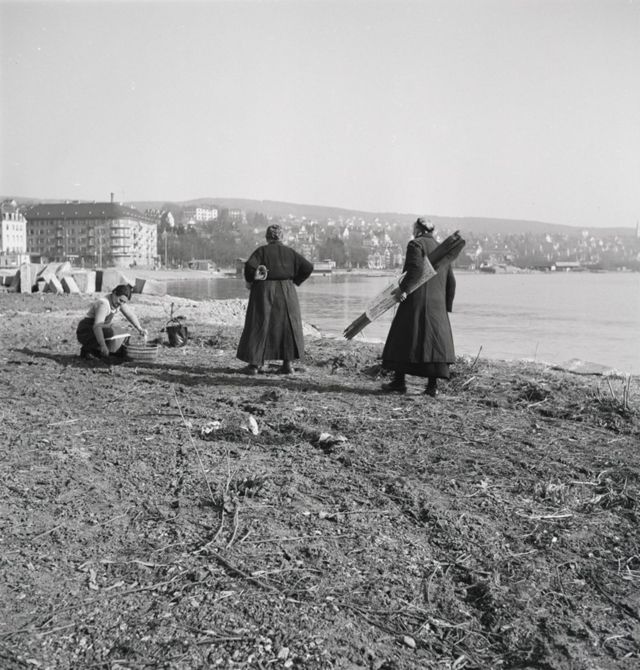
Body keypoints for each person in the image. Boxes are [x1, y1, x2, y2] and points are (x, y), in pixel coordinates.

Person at [381, 217, 456, 396]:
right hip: (437, 304)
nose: (413, 231)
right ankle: (432, 387)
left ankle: (399, 382)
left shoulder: (416, 244)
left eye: (414, 228)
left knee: (403, 338)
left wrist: (403, 289)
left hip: (416, 300)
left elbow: (414, 270)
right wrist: (446, 306)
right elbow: (451, 281)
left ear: (419, 230)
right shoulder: (443, 249)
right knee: (434, 343)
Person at [237, 224, 314, 374]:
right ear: (282, 237)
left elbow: (249, 267)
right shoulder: (290, 253)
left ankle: (254, 366)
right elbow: (308, 267)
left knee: (259, 324)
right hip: (287, 291)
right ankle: (287, 365)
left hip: (263, 290)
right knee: (287, 327)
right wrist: (294, 280)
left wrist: (251, 280)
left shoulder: (262, 251)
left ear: (267, 237)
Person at [76, 283, 147, 360]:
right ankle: (90, 350)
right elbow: (97, 326)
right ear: (114, 293)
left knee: (124, 332)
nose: (121, 303)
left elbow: (130, 315)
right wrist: (103, 345)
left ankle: (105, 350)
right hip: (87, 331)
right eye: (120, 300)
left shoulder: (119, 303)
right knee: (111, 333)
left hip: (101, 328)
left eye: (124, 302)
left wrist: (139, 328)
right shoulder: (103, 304)